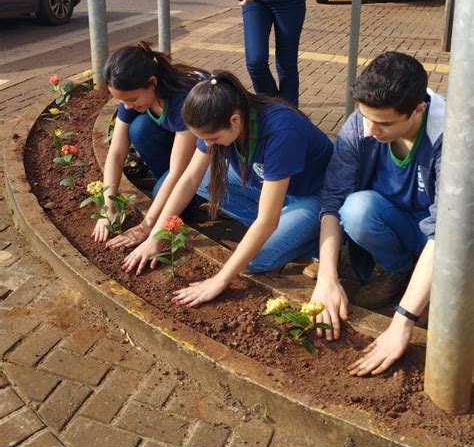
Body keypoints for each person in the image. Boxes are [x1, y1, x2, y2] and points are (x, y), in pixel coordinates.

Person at [122, 71, 333, 306]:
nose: (207, 144)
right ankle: (288, 228)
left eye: (211, 139)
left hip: (313, 197)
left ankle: (314, 239)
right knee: (202, 181)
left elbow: (267, 220)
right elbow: (190, 178)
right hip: (272, 187)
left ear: (234, 121)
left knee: (254, 260)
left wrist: (220, 280)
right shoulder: (220, 118)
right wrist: (155, 236)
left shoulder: (282, 131)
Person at [305, 52, 445, 375]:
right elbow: (333, 199)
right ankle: (399, 271)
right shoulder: (361, 123)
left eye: (383, 123)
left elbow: (445, 233)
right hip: (396, 223)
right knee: (355, 209)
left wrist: (402, 322)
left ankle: (429, 288)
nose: (370, 130)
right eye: (366, 117)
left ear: (418, 110)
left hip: (438, 239)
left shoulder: (450, 137)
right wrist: (328, 276)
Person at [93, 42, 207, 248]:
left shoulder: (183, 101)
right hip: (177, 141)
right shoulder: (134, 94)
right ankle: (174, 196)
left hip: (215, 155)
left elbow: (178, 171)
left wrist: (146, 227)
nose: (127, 106)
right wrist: (107, 209)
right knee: (138, 128)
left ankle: (195, 198)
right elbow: (116, 152)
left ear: (152, 82)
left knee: (160, 194)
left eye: (132, 99)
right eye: (123, 101)